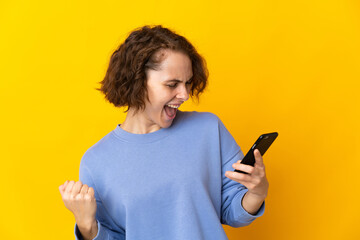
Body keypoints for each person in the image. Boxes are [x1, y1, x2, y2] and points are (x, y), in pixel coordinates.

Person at [58, 25, 269, 240]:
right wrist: (87, 228)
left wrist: (257, 192)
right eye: (172, 84)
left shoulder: (208, 129)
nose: (185, 94)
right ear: (137, 82)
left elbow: (233, 212)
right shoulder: (96, 162)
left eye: (187, 83)